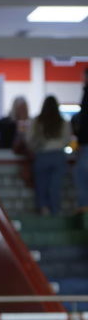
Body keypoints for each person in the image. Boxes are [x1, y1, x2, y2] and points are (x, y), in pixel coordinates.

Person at [27, 96, 72, 216]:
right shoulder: (63, 121)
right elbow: (67, 140)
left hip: (41, 156)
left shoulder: (36, 121)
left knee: (41, 186)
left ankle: (44, 211)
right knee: (55, 186)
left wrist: (36, 148)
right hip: (58, 156)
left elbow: (29, 139)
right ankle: (56, 211)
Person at [72, 68, 88, 213]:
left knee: (80, 172)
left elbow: (84, 121)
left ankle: (84, 207)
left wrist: (79, 136)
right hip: (84, 142)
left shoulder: (86, 93)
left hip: (85, 143)